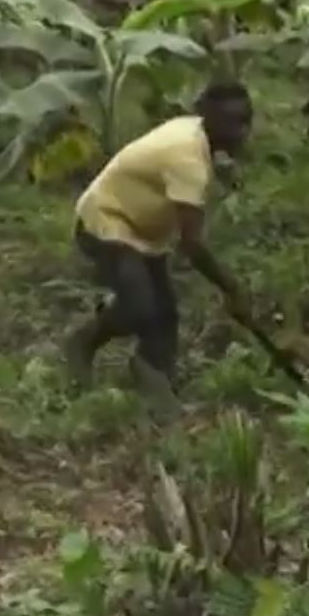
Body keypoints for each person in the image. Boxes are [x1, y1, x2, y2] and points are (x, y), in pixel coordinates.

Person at [62, 82, 257, 415]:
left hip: (144, 233)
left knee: (165, 316)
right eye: (230, 122)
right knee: (140, 307)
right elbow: (192, 245)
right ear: (208, 117)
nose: (239, 131)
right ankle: (83, 342)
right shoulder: (186, 158)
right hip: (106, 221)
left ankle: (153, 378)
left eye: (244, 121)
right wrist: (231, 288)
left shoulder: (195, 133)